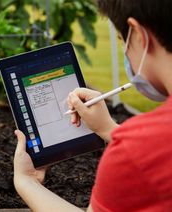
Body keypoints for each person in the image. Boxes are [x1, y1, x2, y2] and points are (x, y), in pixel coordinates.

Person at [13, 0, 172, 211]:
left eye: (121, 39)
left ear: (138, 36)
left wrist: (26, 182)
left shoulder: (135, 151)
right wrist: (107, 129)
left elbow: (147, 154)